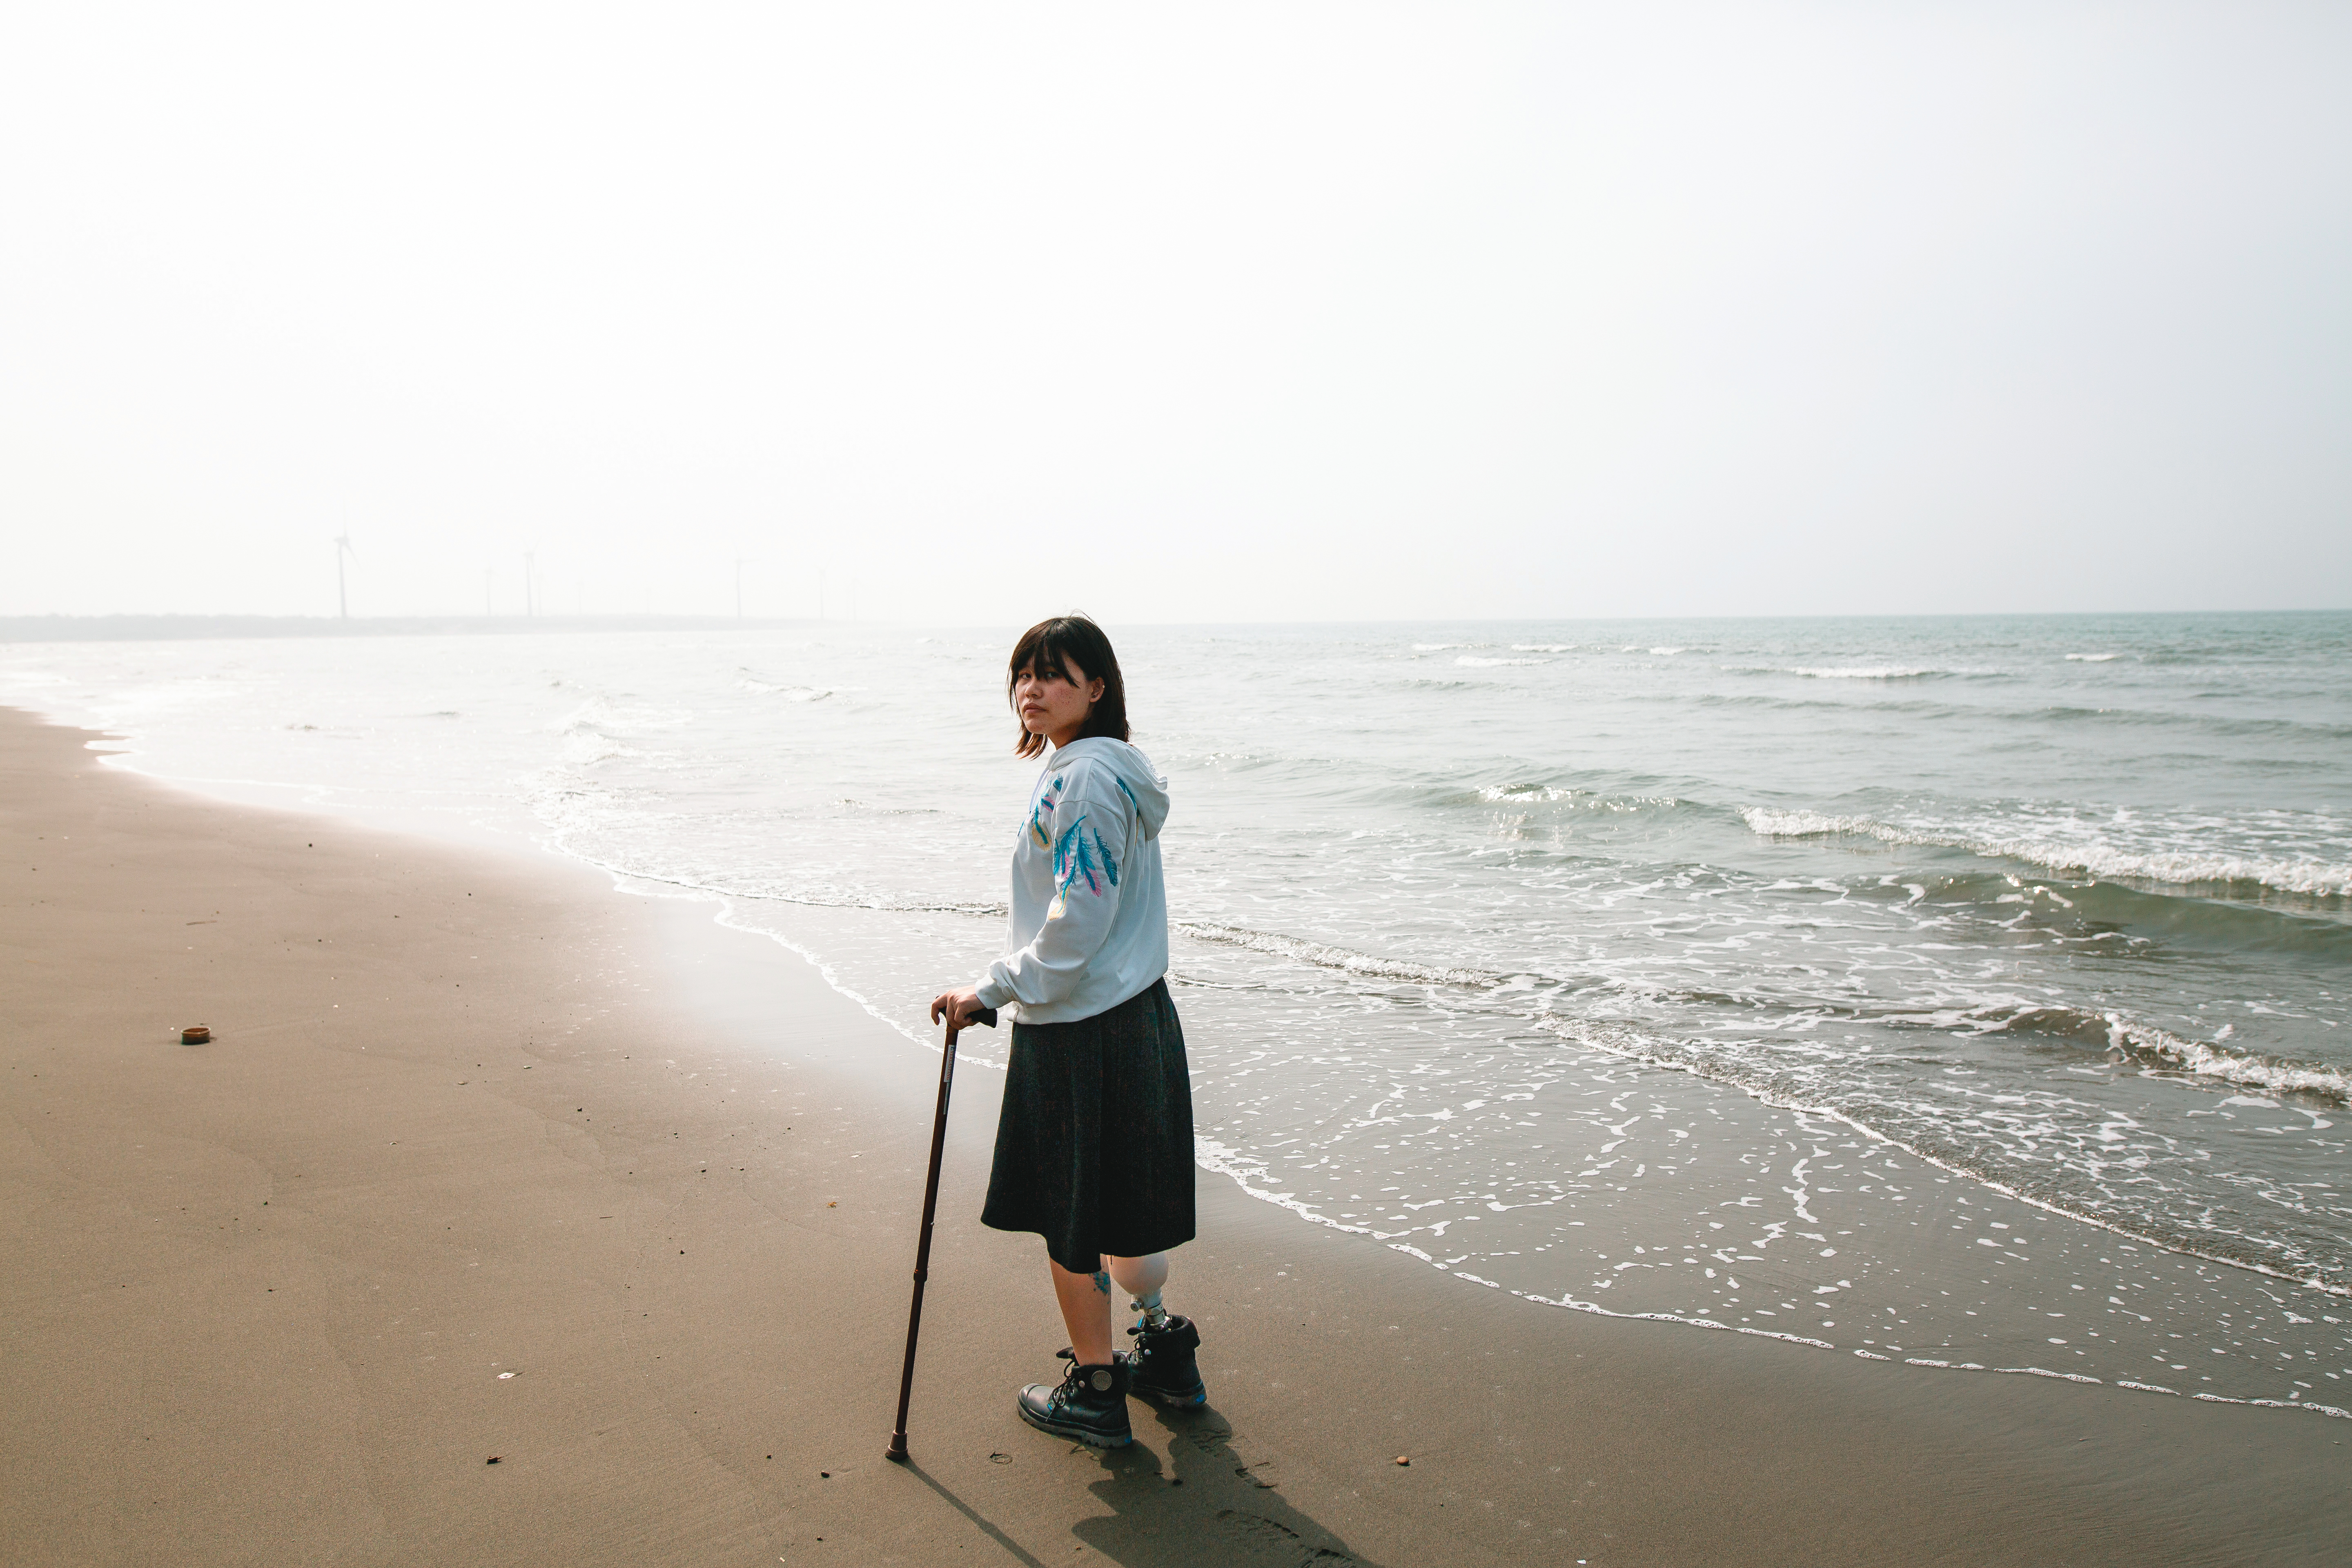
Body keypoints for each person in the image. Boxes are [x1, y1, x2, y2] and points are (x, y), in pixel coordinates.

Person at [930, 614, 1204, 1449]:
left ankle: (1094, 1388)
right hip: (1135, 1017)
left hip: (1081, 1027)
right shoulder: (1114, 770)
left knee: (1072, 1213)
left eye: (1054, 674)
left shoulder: (1081, 782)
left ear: (1098, 687)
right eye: (1024, 674)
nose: (1032, 689)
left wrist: (990, 992)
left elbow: (1075, 925)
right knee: (1127, 1200)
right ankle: (1160, 1343)